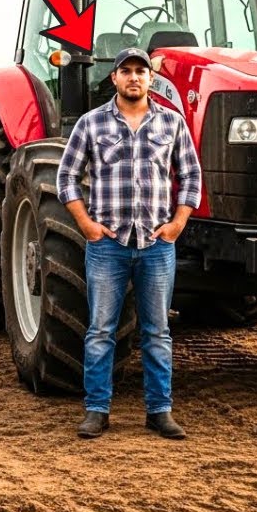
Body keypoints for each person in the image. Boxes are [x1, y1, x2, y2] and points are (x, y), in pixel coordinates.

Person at [56, 48, 201, 440]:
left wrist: (176, 225)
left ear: (151, 78)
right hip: (108, 244)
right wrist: (86, 224)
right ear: (115, 78)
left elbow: (190, 177)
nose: (134, 77)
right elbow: (66, 177)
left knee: (157, 332)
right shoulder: (91, 123)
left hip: (156, 244)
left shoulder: (172, 124)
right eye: (126, 71)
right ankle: (97, 410)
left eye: (141, 71)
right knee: (101, 330)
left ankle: (159, 411)